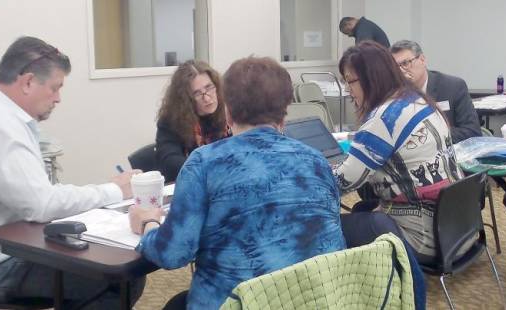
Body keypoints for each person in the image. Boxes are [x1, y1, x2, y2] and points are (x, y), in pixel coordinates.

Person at [0, 36, 145, 308]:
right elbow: (42, 205)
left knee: (104, 266)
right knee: (121, 277)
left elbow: (37, 197)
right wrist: (115, 190)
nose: (58, 98)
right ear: (28, 81)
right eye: (55, 88)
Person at [130, 56, 346, 309]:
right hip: (311, 300)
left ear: (228, 110)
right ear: (285, 110)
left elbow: (173, 254)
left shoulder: (204, 163)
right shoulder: (317, 161)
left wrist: (148, 223)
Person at [334, 41, 466, 265]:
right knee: (361, 210)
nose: (348, 90)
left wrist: (312, 171)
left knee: (326, 226)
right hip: (458, 230)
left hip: (424, 238)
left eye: (350, 81)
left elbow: (343, 182)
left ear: (370, 78)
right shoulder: (418, 102)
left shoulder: (383, 120)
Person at [390, 40, 481, 143]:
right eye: (396, 67)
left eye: (406, 63)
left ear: (422, 60)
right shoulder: (394, 94)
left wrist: (429, 136)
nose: (401, 71)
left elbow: (472, 132)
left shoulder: (453, 86)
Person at [155, 60, 230, 182]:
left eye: (209, 88)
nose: (207, 98)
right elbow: (170, 162)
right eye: (197, 94)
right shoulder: (171, 121)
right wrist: (211, 169)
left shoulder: (228, 111)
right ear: (186, 99)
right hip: (193, 185)